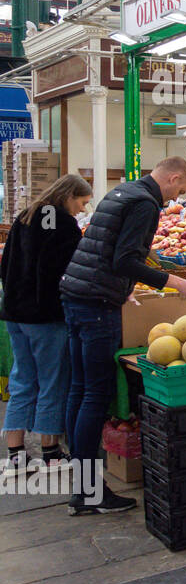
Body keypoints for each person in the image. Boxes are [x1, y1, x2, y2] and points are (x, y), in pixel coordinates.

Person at [60, 156, 186, 515]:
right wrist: (178, 282)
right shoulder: (145, 203)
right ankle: (89, 493)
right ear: (172, 178)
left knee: (79, 390)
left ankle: (81, 485)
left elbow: (103, 249)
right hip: (95, 305)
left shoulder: (122, 191)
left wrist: (121, 286)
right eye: (179, 191)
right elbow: (124, 259)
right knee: (96, 394)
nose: (174, 201)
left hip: (76, 295)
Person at [0, 174, 93, 476]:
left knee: (23, 380)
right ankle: (51, 451)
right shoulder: (61, 223)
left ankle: (15, 455)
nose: (80, 210)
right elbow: (62, 270)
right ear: (68, 196)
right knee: (53, 381)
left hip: (15, 314)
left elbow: (6, 266)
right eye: (81, 203)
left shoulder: (25, 217)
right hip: (45, 317)